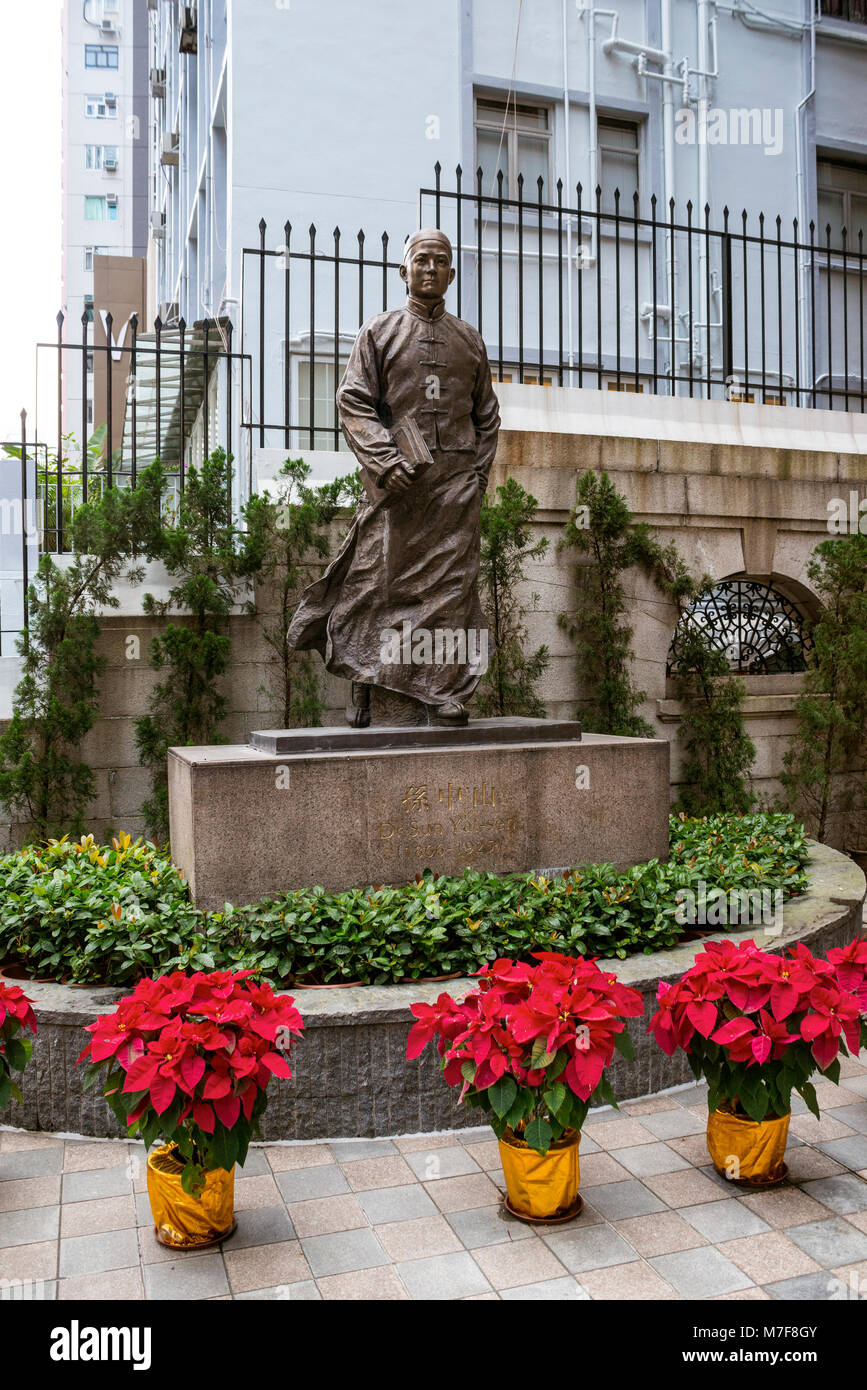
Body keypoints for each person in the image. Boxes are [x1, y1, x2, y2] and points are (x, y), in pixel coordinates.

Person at [286, 227, 501, 727]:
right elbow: (353, 401)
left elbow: (486, 416)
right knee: (374, 587)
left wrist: (478, 477)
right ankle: (365, 680)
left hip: (454, 492)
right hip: (396, 492)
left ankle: (444, 690)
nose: (430, 269)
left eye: (440, 261)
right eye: (420, 260)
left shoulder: (470, 340)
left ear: (451, 272)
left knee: (451, 592)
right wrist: (384, 461)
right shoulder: (379, 333)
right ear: (403, 271)